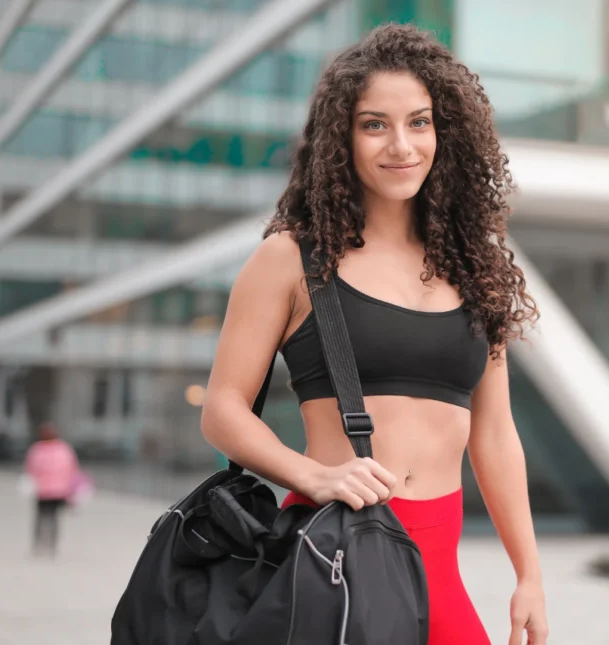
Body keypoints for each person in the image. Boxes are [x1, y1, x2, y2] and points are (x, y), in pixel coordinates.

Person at [200, 23, 548, 645]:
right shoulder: (291, 260)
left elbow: (494, 434)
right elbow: (223, 410)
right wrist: (314, 476)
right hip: (335, 559)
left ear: (446, 133)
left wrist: (529, 573)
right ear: (342, 138)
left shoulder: (476, 267)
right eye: (374, 124)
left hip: (441, 565)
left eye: (419, 122)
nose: (401, 145)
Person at [24, 422, 80, 557]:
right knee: (49, 518)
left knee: (44, 517)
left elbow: (30, 470)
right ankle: (47, 545)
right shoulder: (63, 449)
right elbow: (73, 470)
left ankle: (42, 544)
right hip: (54, 490)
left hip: (49, 490)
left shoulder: (38, 449)